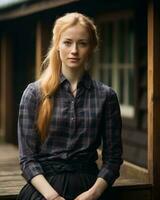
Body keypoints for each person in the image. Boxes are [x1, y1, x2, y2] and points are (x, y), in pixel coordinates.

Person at [17, 12, 123, 200]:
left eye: (82, 43)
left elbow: (113, 160)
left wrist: (93, 194)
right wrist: (53, 197)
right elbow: (27, 159)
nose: (74, 50)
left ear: (91, 47)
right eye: (67, 42)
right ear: (57, 45)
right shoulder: (34, 94)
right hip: (44, 189)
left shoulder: (106, 96)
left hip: (90, 188)